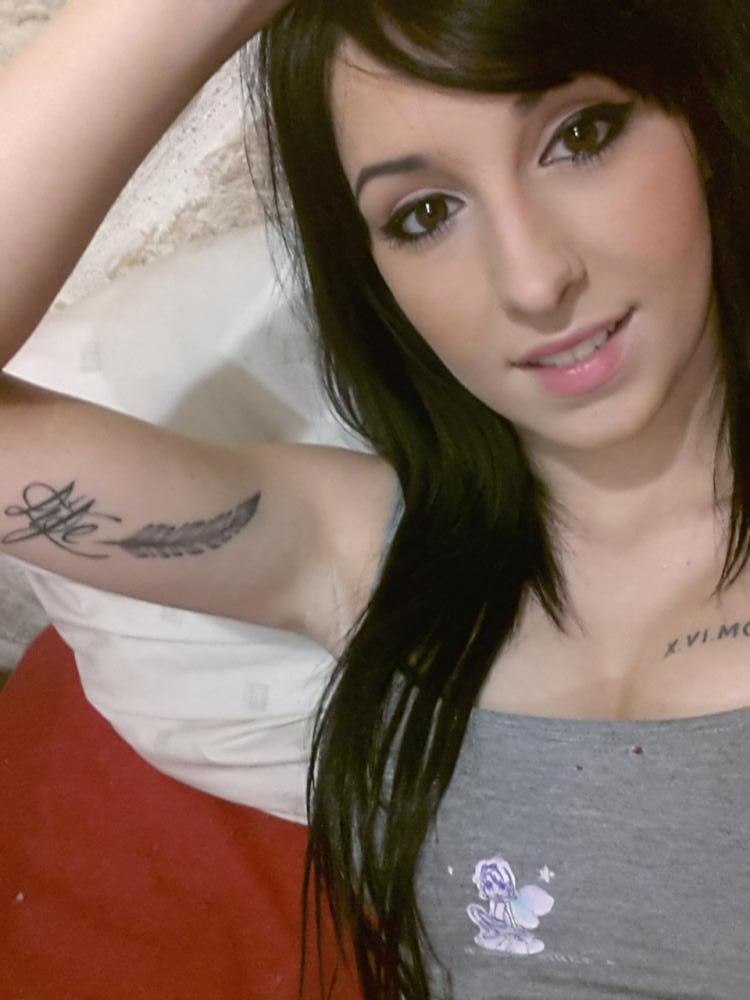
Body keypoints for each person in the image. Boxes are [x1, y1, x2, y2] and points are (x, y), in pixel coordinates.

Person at [2, 0, 750, 997]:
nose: (534, 280)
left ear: (698, 117)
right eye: (425, 214)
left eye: (580, 135)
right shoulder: (364, 555)